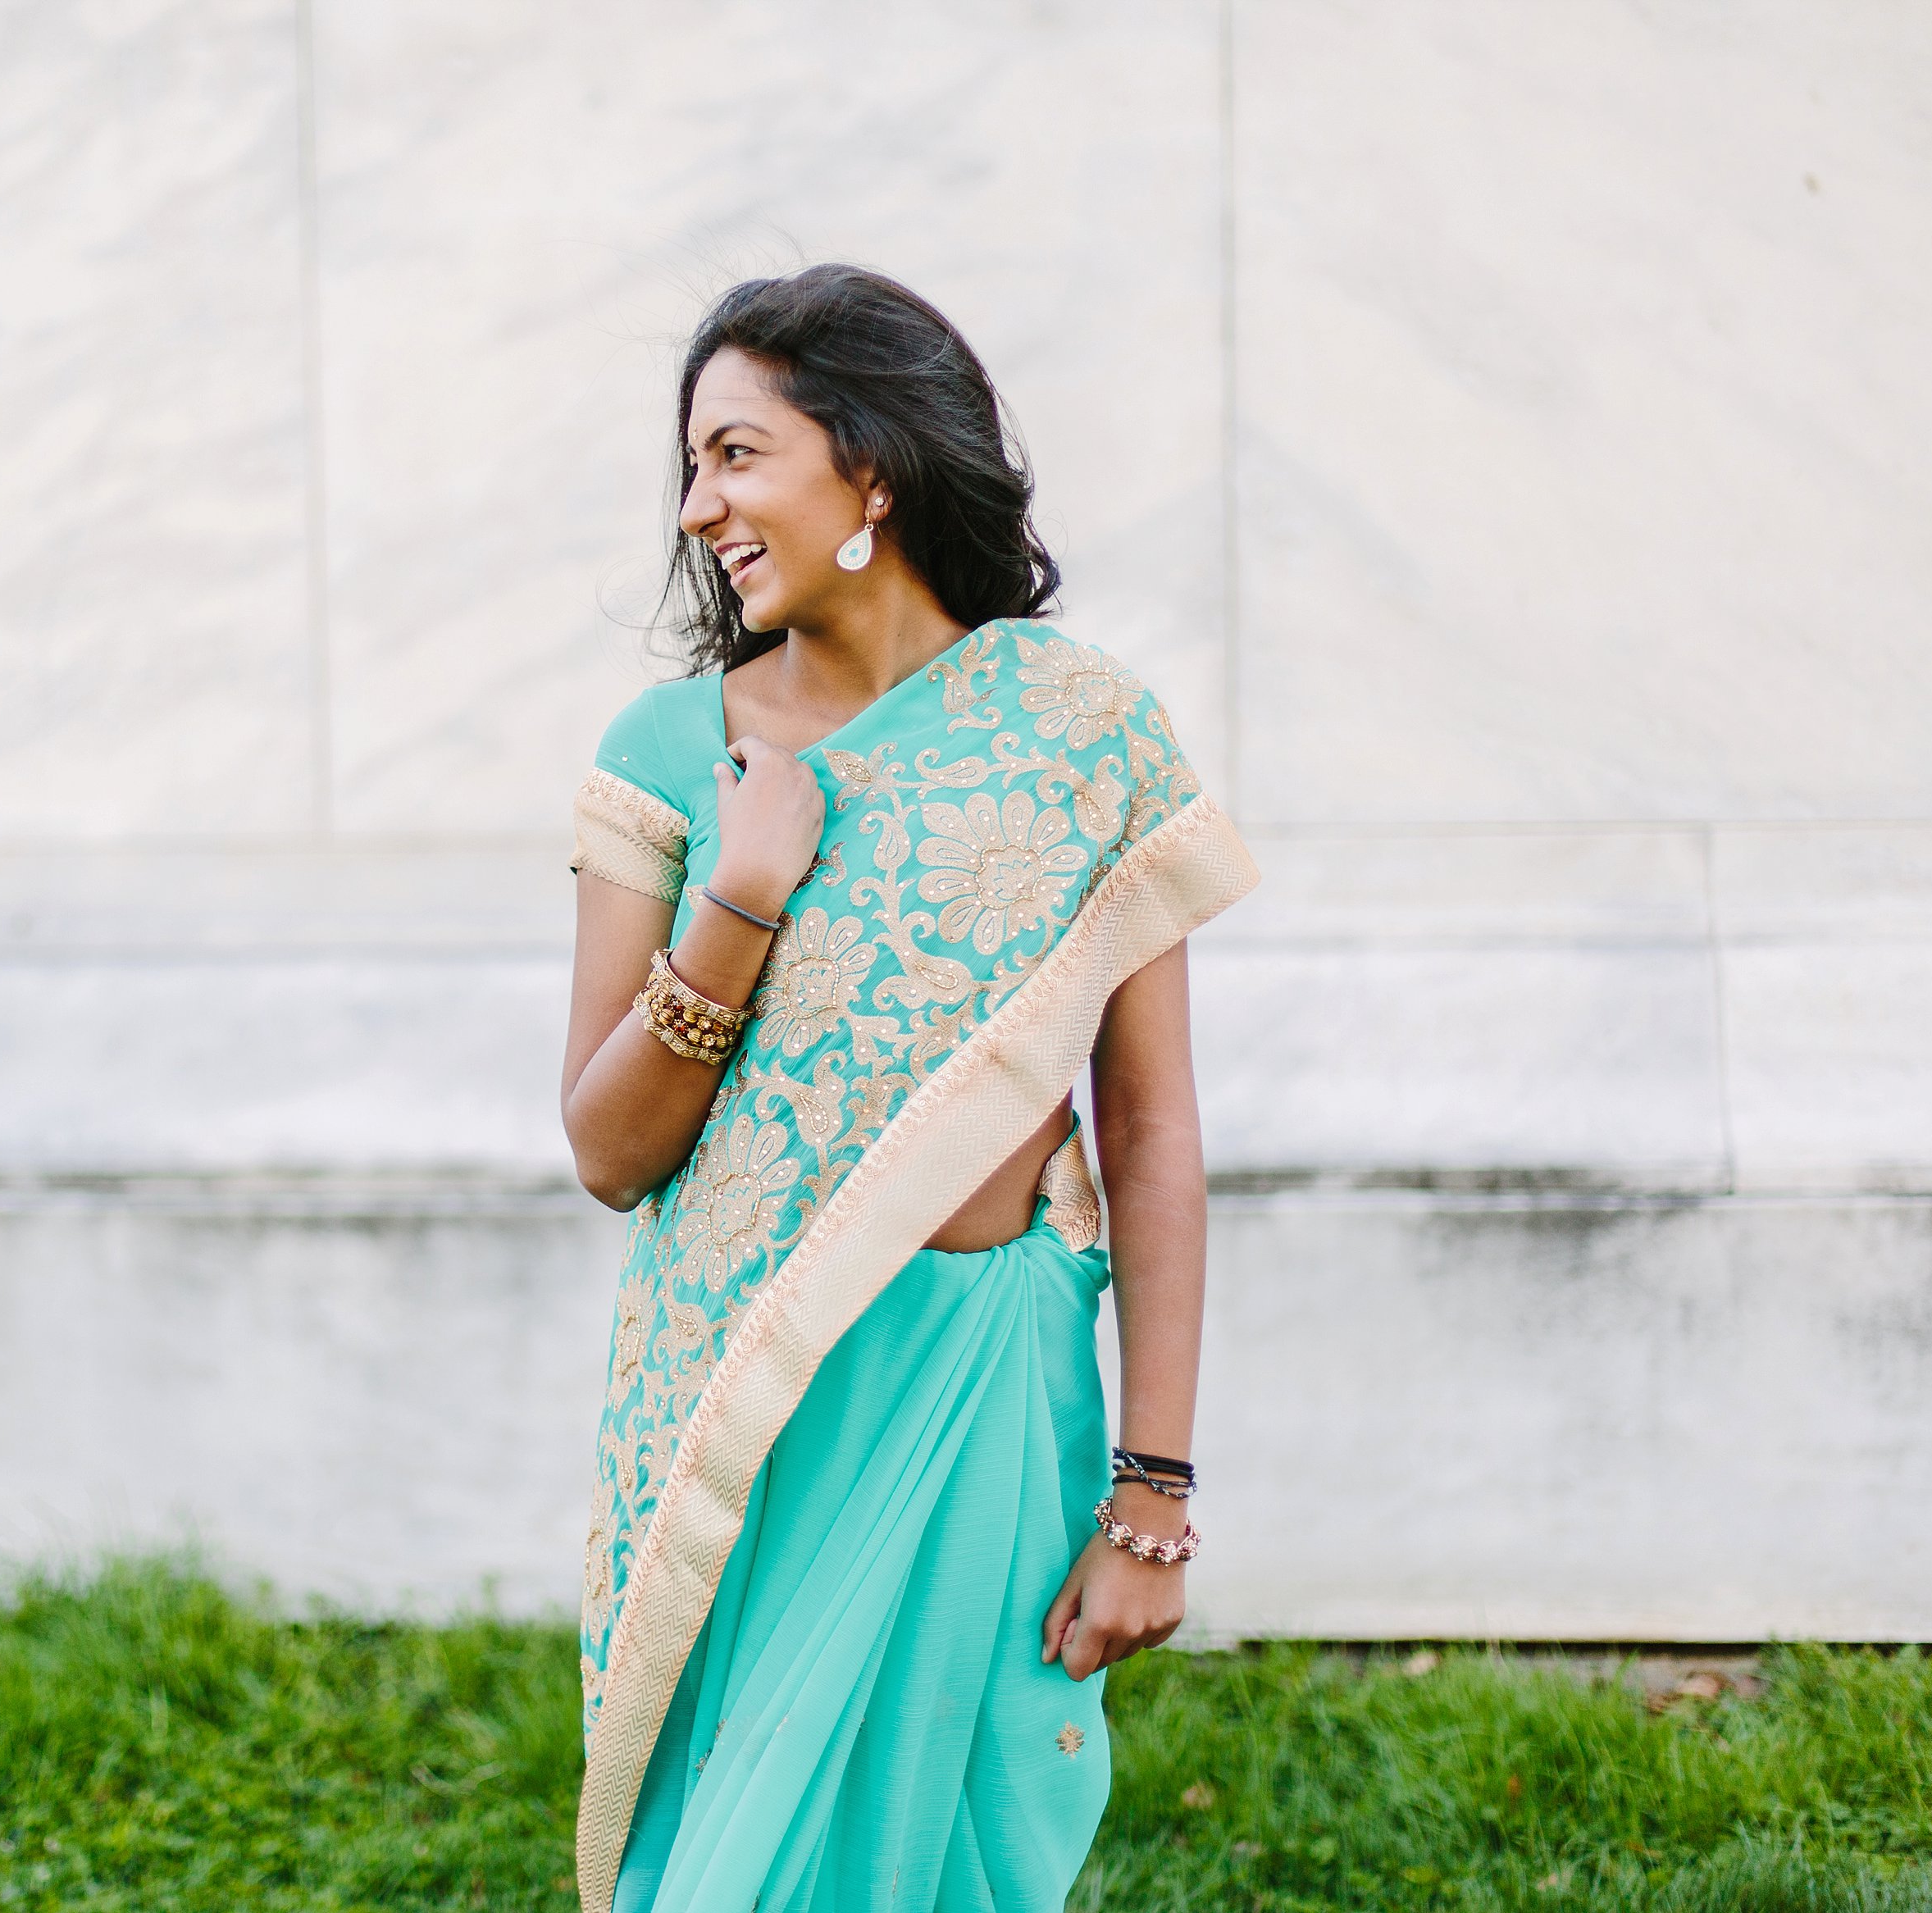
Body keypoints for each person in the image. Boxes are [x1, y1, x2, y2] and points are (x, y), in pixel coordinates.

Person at [558, 264, 1260, 1913]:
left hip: (988, 1384)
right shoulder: (673, 752)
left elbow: (1150, 1129)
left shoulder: (1081, 728)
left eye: (736, 454)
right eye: (689, 465)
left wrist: (1151, 1497)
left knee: (936, 1861)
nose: (695, 507)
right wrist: (739, 900)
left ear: (868, 467)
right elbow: (605, 1153)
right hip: (758, 1401)